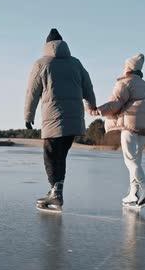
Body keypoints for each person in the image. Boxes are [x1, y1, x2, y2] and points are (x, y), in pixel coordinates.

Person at [24, 28, 97, 211]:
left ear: (46, 46)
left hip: (53, 119)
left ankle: (55, 193)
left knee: (50, 156)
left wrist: (28, 116)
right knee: (60, 157)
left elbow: (32, 93)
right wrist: (92, 106)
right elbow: (88, 87)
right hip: (74, 121)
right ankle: (56, 192)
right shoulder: (76, 63)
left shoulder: (41, 63)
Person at [88, 53, 145, 207]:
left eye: (124, 65)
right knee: (136, 161)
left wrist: (96, 111)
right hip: (143, 128)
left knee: (130, 160)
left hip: (130, 126)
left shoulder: (126, 82)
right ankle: (133, 194)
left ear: (128, 67)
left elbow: (115, 104)